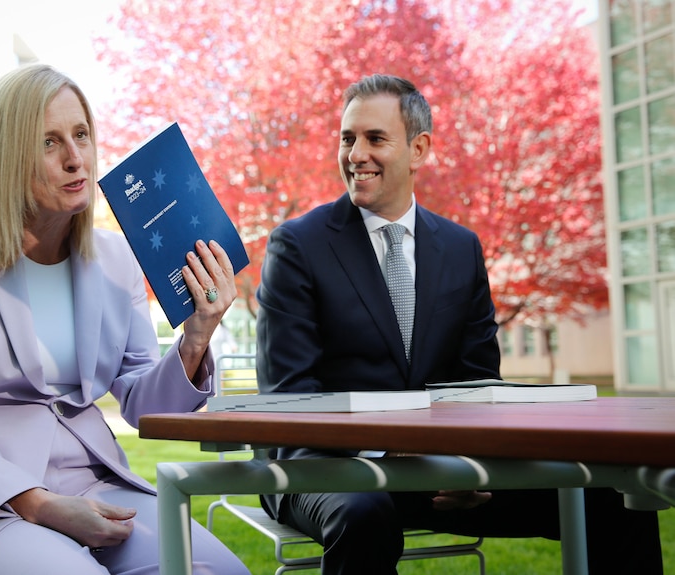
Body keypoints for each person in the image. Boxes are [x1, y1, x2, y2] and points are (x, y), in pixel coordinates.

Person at [255, 73, 663, 574]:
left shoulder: (460, 248)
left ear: (419, 149)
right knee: (365, 510)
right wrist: (401, 452)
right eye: (347, 138)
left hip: (441, 469)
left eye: (375, 138)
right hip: (320, 465)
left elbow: (476, 381)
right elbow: (290, 395)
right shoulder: (297, 245)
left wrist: (467, 459)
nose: (355, 154)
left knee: (611, 496)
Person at [0, 64, 250, 575]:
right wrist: (40, 504)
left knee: (223, 572)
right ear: (6, 157)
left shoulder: (116, 257)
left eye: (82, 135)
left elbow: (142, 405)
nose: (77, 159)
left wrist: (196, 335)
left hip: (91, 484)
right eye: (49, 142)